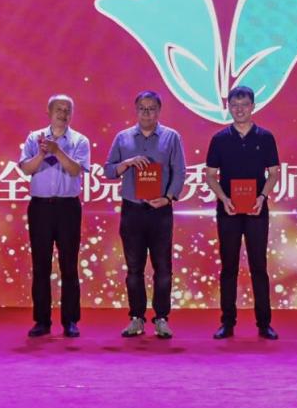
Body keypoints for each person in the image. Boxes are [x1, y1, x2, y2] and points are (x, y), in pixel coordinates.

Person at [104, 90, 186, 339]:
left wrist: (168, 198)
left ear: (159, 111)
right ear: (136, 110)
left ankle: (161, 318)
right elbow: (109, 171)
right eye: (142, 108)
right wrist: (128, 162)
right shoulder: (123, 138)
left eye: (151, 109)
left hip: (160, 211)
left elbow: (179, 171)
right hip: (132, 210)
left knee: (163, 269)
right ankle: (136, 318)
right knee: (134, 269)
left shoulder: (171, 137)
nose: (147, 113)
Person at [205, 86, 280, 340]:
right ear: (229, 107)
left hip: (257, 209)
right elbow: (210, 175)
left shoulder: (265, 137)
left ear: (253, 107)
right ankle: (227, 322)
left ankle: (264, 323)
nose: (239, 110)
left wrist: (262, 197)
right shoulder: (219, 139)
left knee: (259, 266)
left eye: (244, 105)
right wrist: (223, 198)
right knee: (229, 267)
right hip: (228, 209)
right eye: (235, 105)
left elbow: (274, 173)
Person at [19, 94, 91, 338]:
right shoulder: (34, 138)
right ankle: (42, 321)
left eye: (67, 110)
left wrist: (57, 150)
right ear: (49, 112)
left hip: (68, 208)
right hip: (40, 208)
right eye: (59, 109)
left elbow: (75, 170)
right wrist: (42, 153)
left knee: (69, 265)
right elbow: (26, 168)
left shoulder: (80, 140)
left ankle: (70, 320)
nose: (63, 113)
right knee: (41, 265)